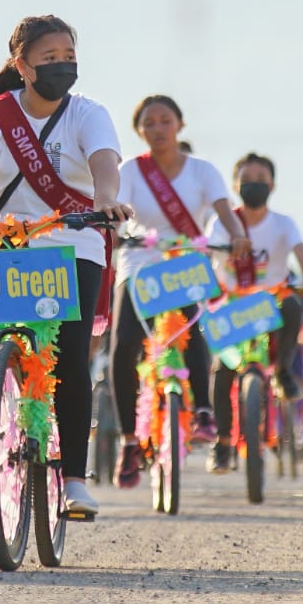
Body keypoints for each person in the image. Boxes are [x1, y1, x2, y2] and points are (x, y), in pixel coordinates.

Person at [0, 15, 132, 519]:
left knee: (71, 357)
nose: (62, 66)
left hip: (72, 242)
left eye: (68, 57)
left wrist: (106, 201)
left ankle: (76, 481)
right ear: (22, 64)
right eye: (49, 59)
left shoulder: (89, 113)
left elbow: (106, 165)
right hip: (4, 245)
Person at [111, 95, 250, 489]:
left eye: (165, 121)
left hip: (186, 257)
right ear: (140, 131)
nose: (158, 129)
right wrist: (114, 235)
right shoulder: (131, 171)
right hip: (141, 260)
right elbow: (118, 214)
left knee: (193, 332)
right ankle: (127, 441)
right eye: (149, 123)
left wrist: (237, 236)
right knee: (125, 343)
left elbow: (225, 212)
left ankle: (204, 411)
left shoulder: (203, 171)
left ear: (180, 125)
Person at [205, 151, 303, 474]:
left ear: (273, 185)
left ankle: (282, 370)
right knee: (222, 372)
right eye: (247, 180)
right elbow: (208, 256)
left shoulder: (283, 224)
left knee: (293, 304)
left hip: (272, 305)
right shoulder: (222, 224)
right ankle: (223, 444)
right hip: (233, 308)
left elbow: (302, 253)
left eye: (260, 180)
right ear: (235, 185)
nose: (254, 185)